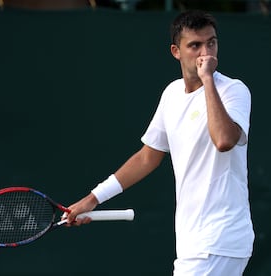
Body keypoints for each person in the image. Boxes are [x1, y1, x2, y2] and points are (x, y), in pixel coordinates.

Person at [64, 10, 254, 276]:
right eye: (195, 46)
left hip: (219, 239)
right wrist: (93, 198)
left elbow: (224, 140)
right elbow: (146, 157)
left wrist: (208, 79)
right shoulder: (172, 94)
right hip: (192, 242)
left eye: (211, 42)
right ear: (176, 51)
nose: (206, 53)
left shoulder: (233, 90)